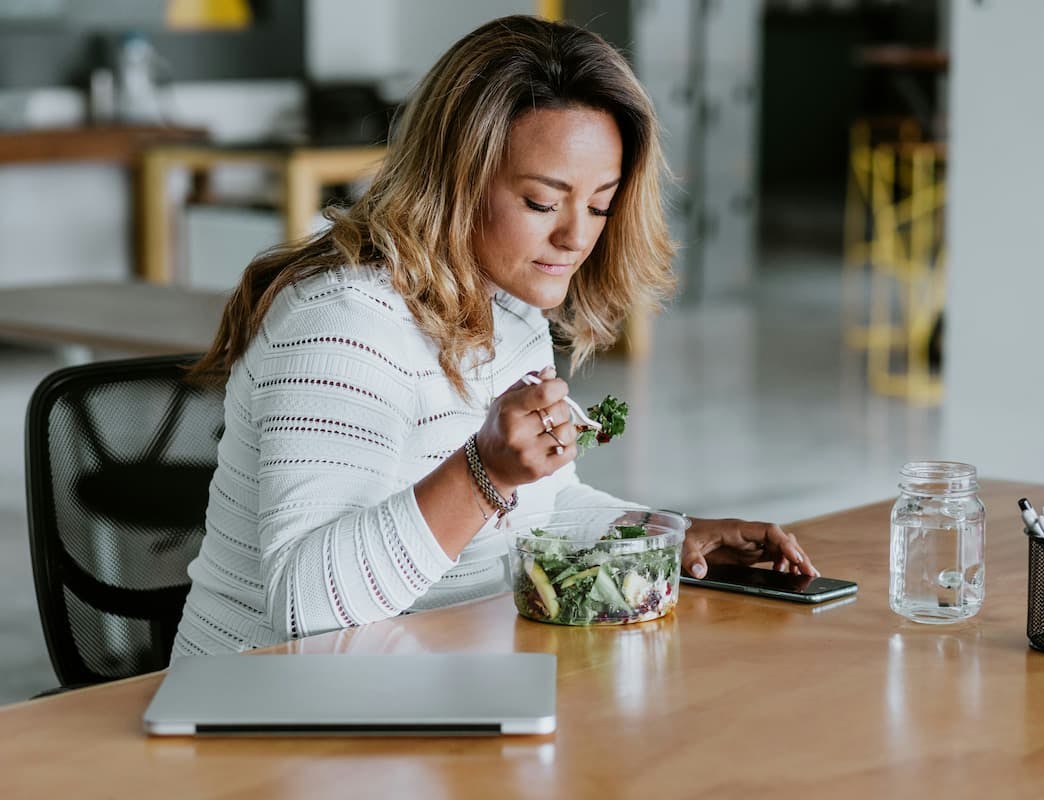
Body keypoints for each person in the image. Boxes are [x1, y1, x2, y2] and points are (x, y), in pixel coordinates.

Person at [172, 15, 817, 657]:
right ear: (457, 180)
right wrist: (483, 475)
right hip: (270, 716)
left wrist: (667, 537)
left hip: (428, 690)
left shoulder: (507, 306)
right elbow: (305, 608)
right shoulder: (344, 322)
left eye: (599, 205)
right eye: (542, 202)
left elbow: (541, 511)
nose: (576, 236)